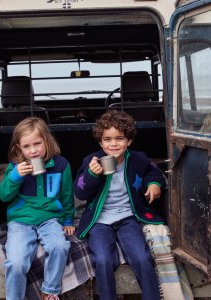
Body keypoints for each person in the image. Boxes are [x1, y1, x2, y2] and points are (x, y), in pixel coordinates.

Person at [74, 110, 165, 300]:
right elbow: (80, 192)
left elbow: (153, 171)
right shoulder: (91, 161)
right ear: (100, 142)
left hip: (128, 218)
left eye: (120, 138)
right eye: (107, 139)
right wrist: (91, 174)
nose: (113, 144)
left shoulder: (138, 159)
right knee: (103, 259)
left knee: (142, 257)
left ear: (129, 141)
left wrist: (154, 184)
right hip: (99, 221)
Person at [0, 117, 75, 300]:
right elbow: (3, 196)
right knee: (16, 262)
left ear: (47, 141)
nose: (33, 151)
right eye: (26, 147)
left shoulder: (61, 165)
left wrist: (68, 219)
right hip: (20, 221)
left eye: (38, 144)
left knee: (60, 246)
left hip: (50, 219)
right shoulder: (15, 167)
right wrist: (15, 177)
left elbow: (66, 195)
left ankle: (50, 291)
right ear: (19, 148)